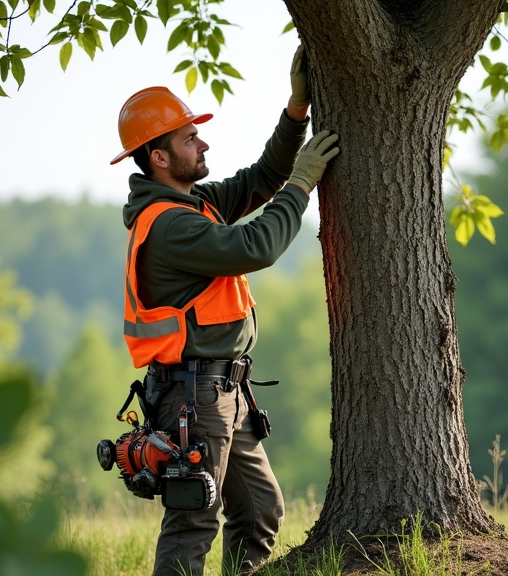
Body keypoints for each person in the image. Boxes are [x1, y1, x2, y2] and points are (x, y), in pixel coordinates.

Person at [110, 45, 339, 576]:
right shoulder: (170, 226)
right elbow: (254, 247)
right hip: (196, 398)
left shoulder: (194, 204)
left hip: (222, 392)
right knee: (192, 525)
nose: (203, 141)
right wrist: (303, 184)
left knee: (259, 511)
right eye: (189, 137)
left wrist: (296, 112)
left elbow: (260, 179)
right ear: (159, 157)